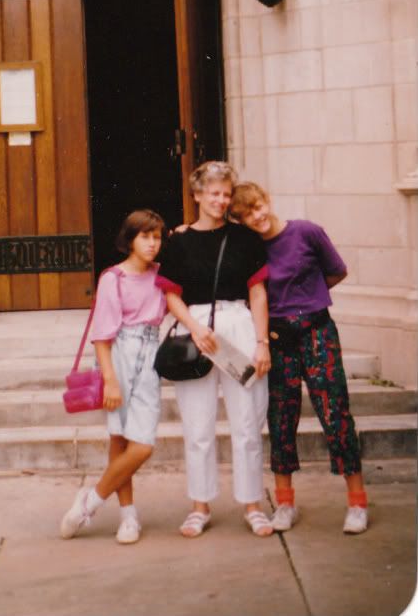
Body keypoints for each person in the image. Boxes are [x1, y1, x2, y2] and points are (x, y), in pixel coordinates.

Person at [229, 181, 368, 534]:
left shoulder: (306, 232)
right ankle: (285, 503)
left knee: (335, 412)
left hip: (317, 332)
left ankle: (356, 503)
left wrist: (310, 298)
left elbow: (337, 270)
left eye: (258, 207)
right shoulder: (249, 249)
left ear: (268, 201)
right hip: (277, 340)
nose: (256, 217)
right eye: (246, 215)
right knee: (281, 417)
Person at [156, 160, 274, 538]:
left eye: (226, 194)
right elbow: (170, 294)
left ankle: (253, 504)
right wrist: (192, 328)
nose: (220, 200)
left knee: (247, 422)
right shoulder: (179, 241)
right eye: (213, 193)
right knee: (198, 425)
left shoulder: (245, 239)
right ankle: (199, 505)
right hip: (197, 331)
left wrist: (260, 342)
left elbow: (257, 292)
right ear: (197, 195)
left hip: (237, 327)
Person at [60, 209, 169, 545]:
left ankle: (89, 501)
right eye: (145, 237)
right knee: (120, 440)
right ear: (130, 239)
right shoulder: (113, 279)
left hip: (151, 355)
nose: (152, 244)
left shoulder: (162, 275)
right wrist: (109, 379)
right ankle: (128, 516)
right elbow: (102, 337)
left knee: (143, 445)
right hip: (120, 354)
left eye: (157, 237)